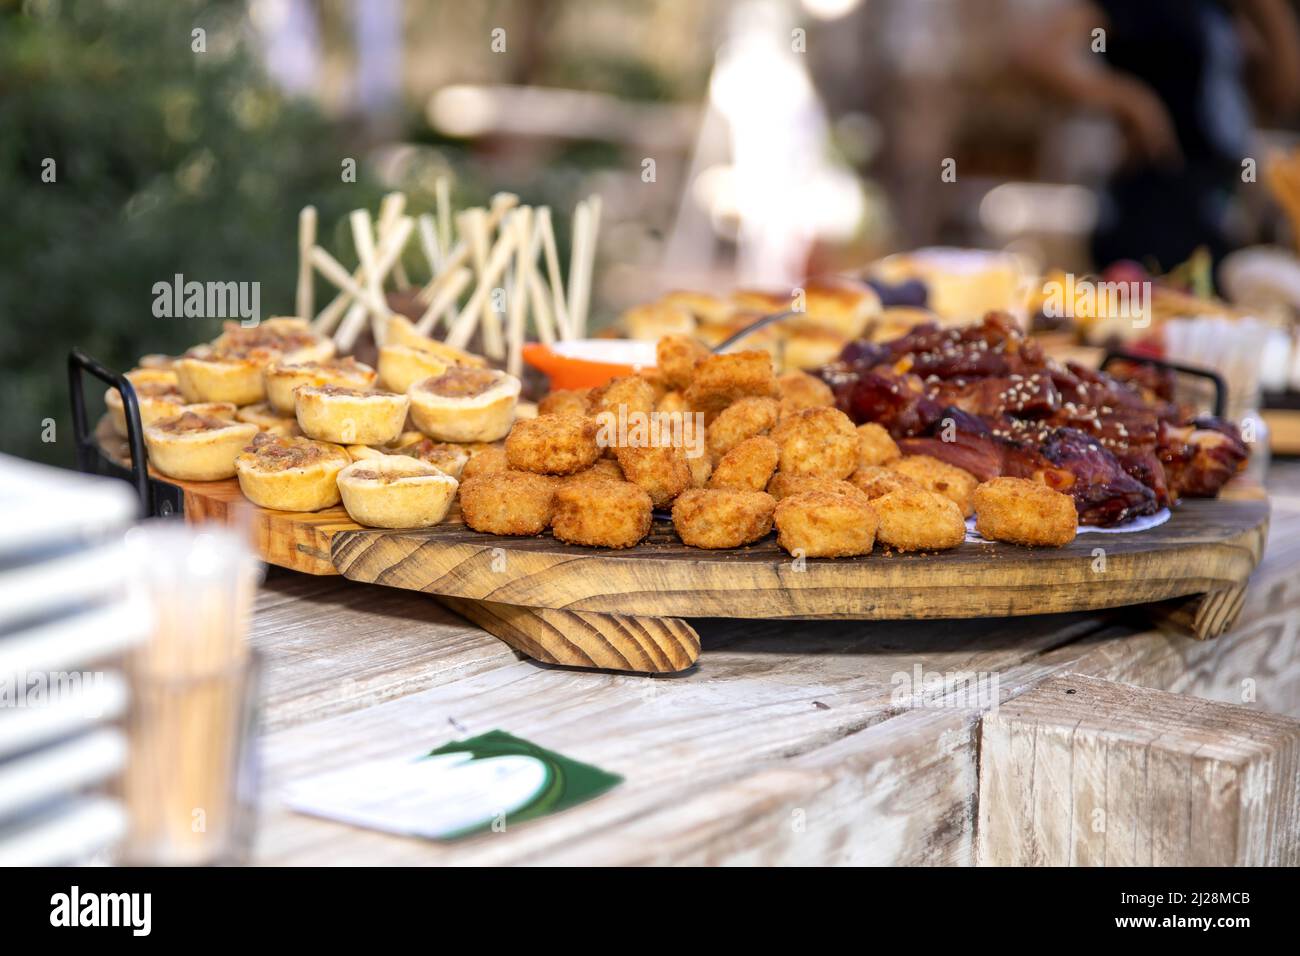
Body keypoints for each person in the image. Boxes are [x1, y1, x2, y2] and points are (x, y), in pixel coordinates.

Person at [1017, 0, 1300, 270]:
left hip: (1218, 210)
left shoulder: (1222, 11)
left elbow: (1285, 90)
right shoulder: (1142, 6)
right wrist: (1129, 100)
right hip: (1156, 207)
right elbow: (1039, 53)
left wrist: (1269, 13)